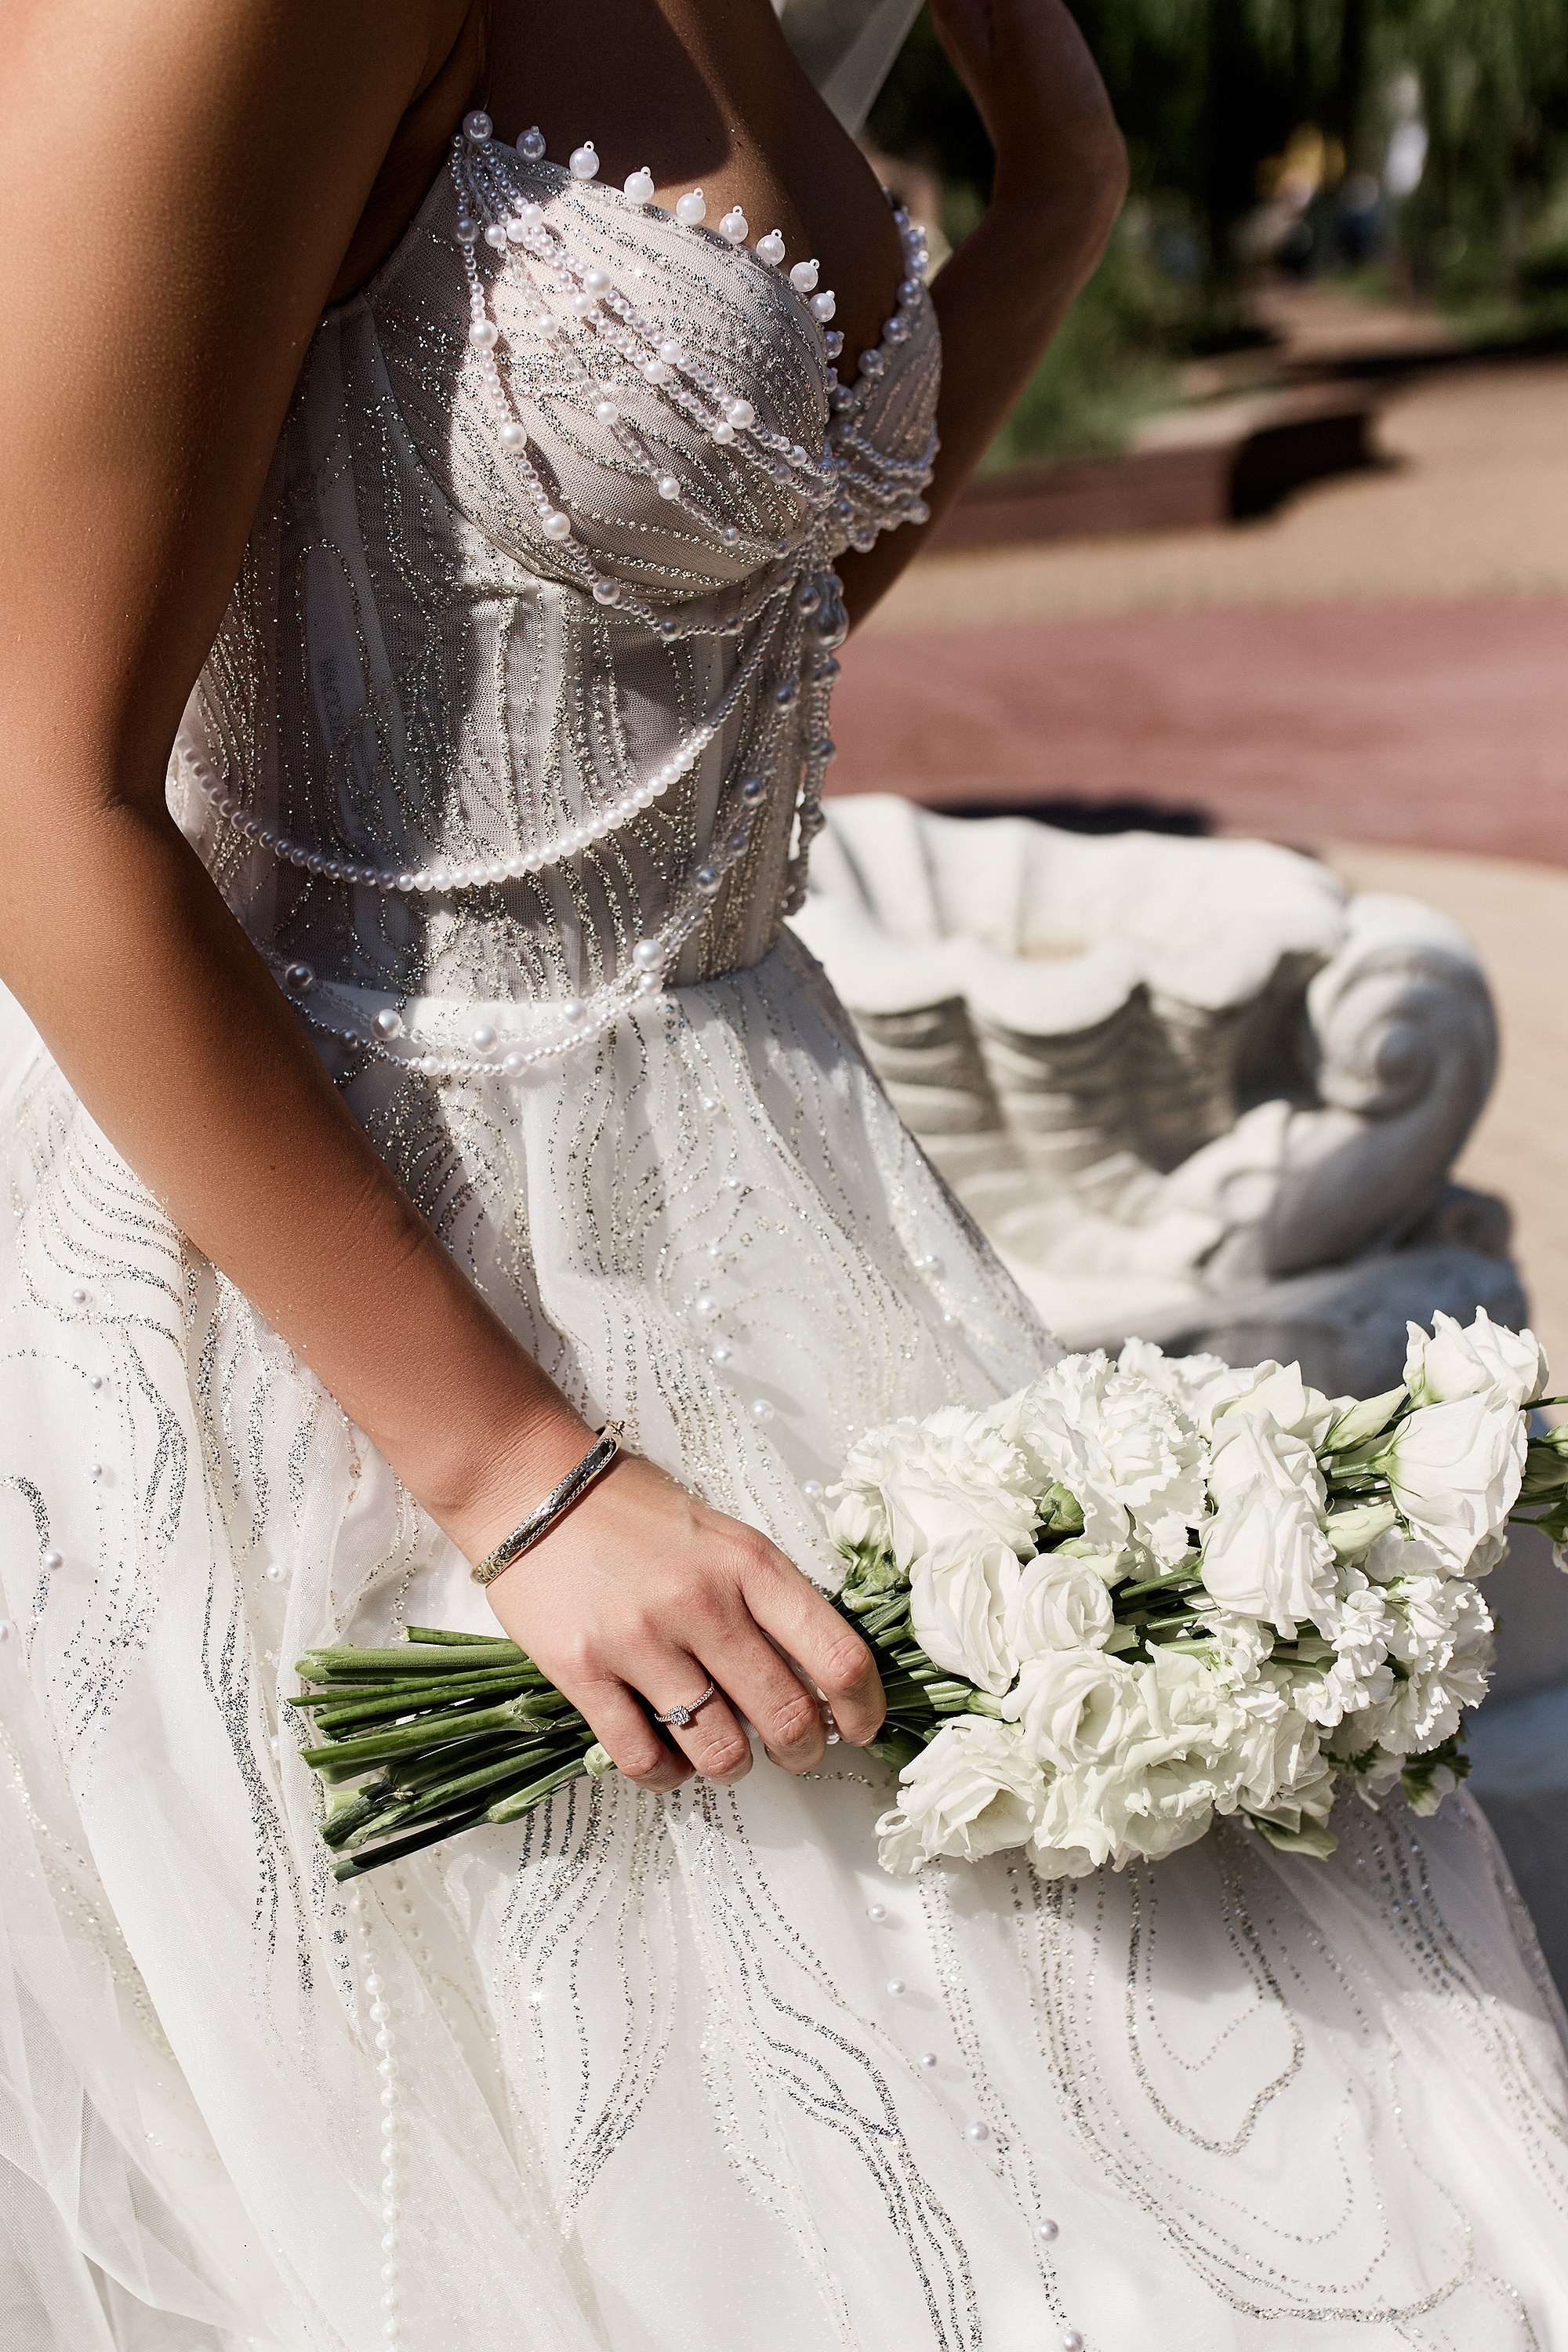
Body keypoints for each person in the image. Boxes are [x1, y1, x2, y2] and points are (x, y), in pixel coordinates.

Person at [0, 3, 1563, 2346]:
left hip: (775, 1196)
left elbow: (680, 658)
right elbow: (37, 800)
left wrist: (1061, 198)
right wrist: (517, 1479)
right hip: (353, 1313)